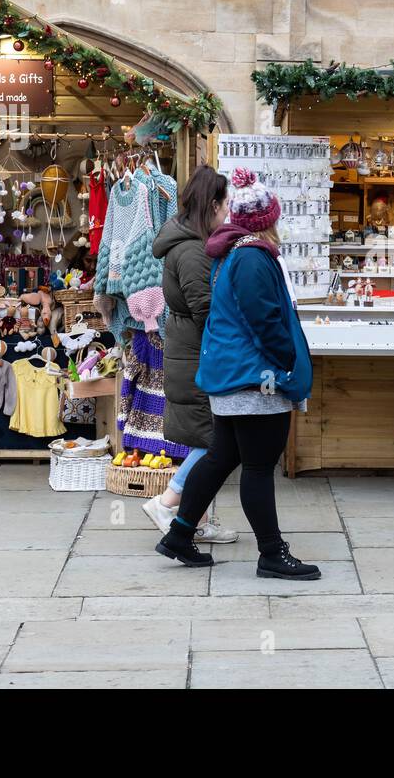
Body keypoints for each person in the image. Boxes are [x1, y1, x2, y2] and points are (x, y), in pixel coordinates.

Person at [154, 167, 319, 579]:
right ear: (268, 220)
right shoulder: (251, 257)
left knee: (220, 458)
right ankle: (271, 554)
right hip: (254, 380)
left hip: (235, 375)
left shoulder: (234, 252)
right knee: (259, 467)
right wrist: (286, 363)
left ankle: (179, 534)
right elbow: (263, 320)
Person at [141, 164, 238, 543]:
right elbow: (207, 310)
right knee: (216, 442)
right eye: (226, 204)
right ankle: (168, 503)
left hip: (190, 353)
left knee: (209, 440)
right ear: (212, 204)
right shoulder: (195, 251)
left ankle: (191, 517)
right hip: (197, 357)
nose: (228, 211)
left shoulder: (189, 243)